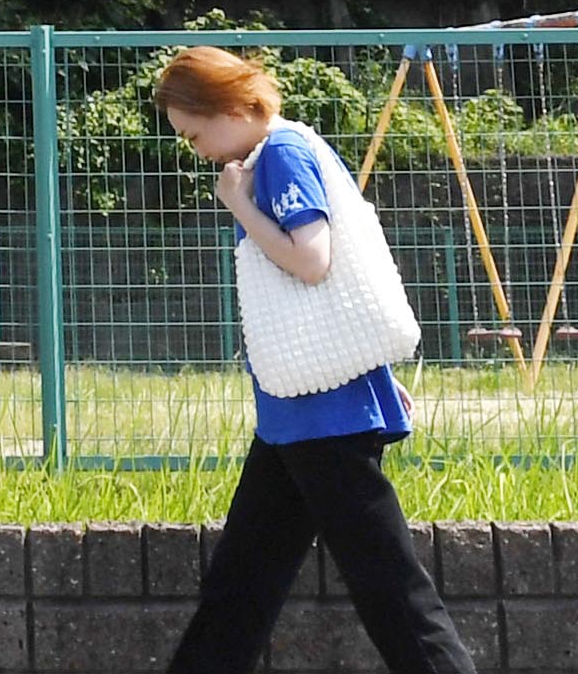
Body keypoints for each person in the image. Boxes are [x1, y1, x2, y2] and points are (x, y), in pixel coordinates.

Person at [152, 45, 479, 674]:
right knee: (242, 585)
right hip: (299, 412)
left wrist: (238, 204)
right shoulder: (282, 149)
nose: (196, 150)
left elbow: (314, 260)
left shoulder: (281, 154)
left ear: (228, 105)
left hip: (320, 414)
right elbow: (336, 299)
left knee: (390, 592)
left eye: (195, 133)